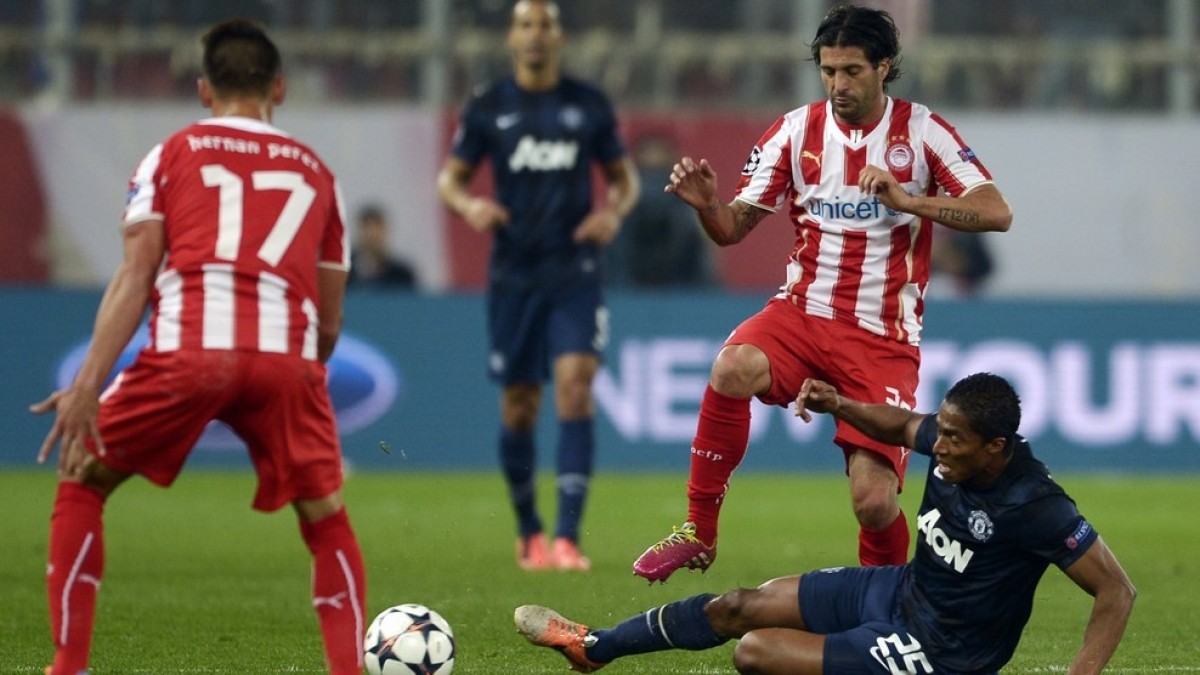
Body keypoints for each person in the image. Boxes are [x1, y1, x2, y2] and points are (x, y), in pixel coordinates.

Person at [632, 3, 1014, 583]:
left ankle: (888, 608)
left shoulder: (923, 132)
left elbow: (996, 212)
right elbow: (731, 229)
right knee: (732, 367)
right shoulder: (794, 131)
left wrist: (909, 202)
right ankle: (698, 531)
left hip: (881, 338)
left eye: (852, 71)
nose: (838, 84)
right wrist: (708, 206)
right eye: (829, 71)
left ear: (883, 67)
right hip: (802, 314)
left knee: (874, 503)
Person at [31, 20, 366, 675]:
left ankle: (68, 666)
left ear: (204, 89)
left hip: (191, 351)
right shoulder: (320, 176)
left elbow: (135, 277)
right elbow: (328, 323)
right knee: (327, 518)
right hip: (286, 361)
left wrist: (87, 386)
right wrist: (302, 385)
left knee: (83, 477)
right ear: (279, 88)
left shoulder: (170, 154)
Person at [516, 373, 1136, 674]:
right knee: (738, 606)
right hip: (900, 591)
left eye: (953, 439)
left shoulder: (1037, 506)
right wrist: (841, 405)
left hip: (943, 652)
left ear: (997, 447)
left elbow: (1116, 590)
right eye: (940, 432)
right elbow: (902, 425)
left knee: (756, 655)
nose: (938, 447)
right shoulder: (953, 441)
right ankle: (596, 648)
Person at [436, 0, 639, 572]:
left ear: (559, 35)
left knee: (575, 387)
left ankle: (568, 537)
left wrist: (612, 213)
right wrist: (470, 206)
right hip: (514, 274)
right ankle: (530, 530)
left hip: (574, 270)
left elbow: (624, 181)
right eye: (525, 24)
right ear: (511, 36)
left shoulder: (588, 104)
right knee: (521, 404)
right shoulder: (488, 105)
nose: (535, 35)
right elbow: (449, 182)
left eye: (545, 24)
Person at [605, 131, 717, 288]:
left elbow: (706, 269)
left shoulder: (691, 211)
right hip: (628, 290)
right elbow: (613, 269)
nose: (655, 185)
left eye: (661, 173)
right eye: (648, 173)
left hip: (683, 289)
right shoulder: (620, 210)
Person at [348, 203, 419, 289]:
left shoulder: (401, 275)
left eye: (377, 231)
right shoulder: (345, 273)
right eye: (368, 231)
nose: (372, 236)